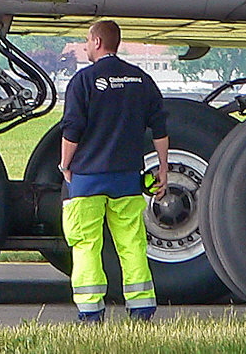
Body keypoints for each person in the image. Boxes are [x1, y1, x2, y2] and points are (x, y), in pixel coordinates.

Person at [58, 20, 169, 323]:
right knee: (132, 243)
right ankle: (142, 308)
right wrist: (163, 167)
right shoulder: (141, 80)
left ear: (96, 41)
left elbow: (72, 130)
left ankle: (91, 312)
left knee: (86, 245)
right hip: (127, 178)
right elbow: (159, 128)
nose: (84, 45)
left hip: (87, 178)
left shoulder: (83, 81)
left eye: (86, 40)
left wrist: (65, 165)